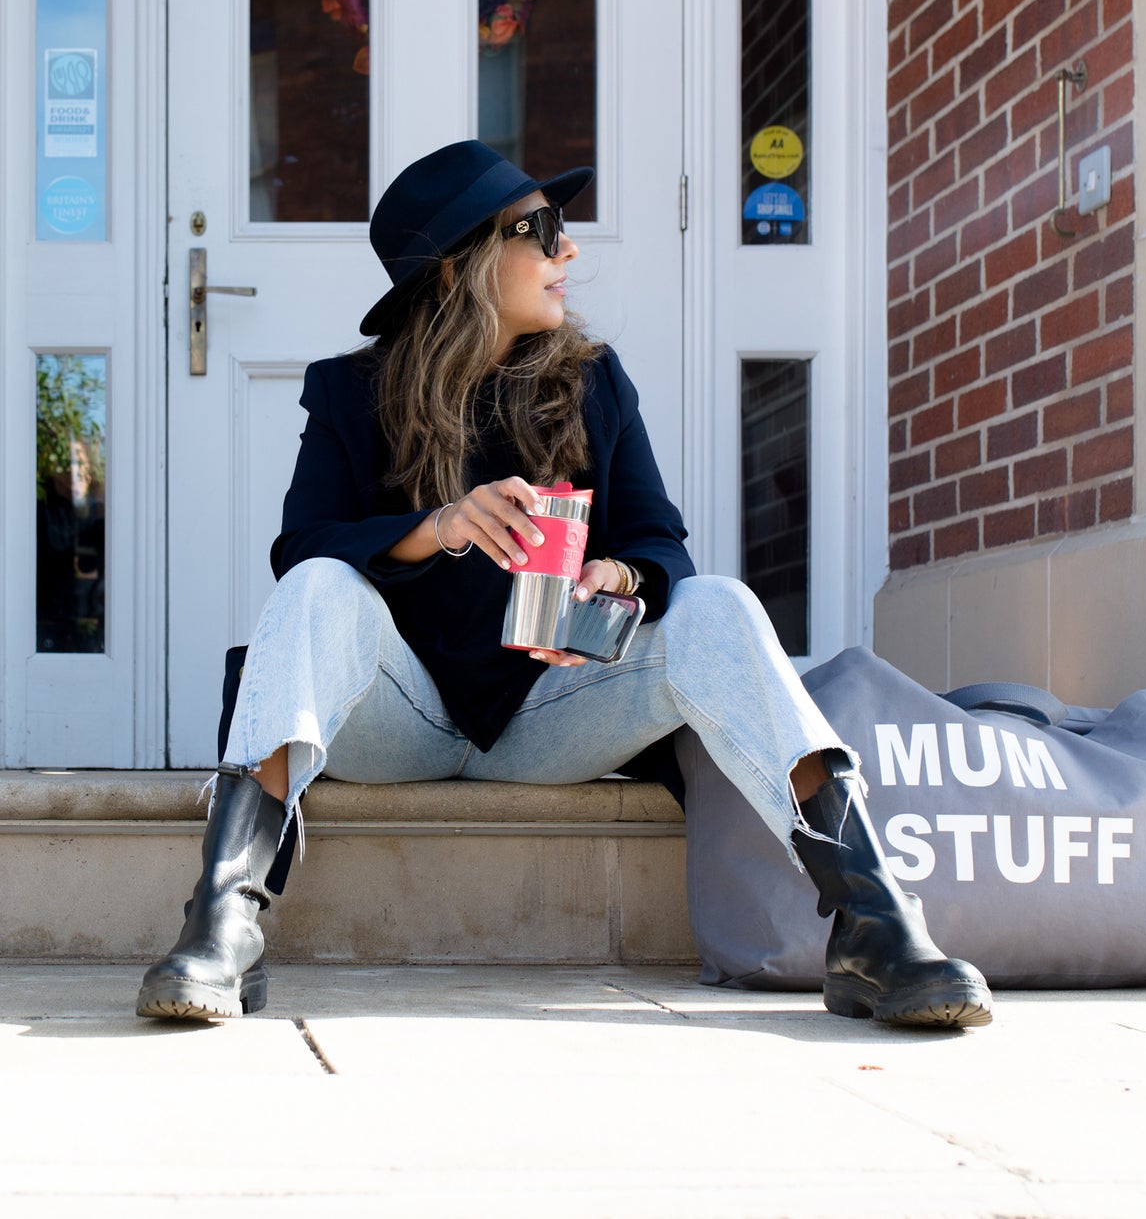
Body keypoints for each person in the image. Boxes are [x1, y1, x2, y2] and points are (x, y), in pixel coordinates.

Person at [136, 141, 993, 1031]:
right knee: (318, 583)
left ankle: (873, 923)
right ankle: (225, 919)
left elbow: (662, 541)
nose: (567, 251)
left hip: (551, 709)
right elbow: (301, 546)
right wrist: (440, 525)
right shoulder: (352, 393)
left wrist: (618, 573)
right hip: (396, 716)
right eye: (539, 229)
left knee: (719, 604)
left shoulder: (592, 382)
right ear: (460, 267)